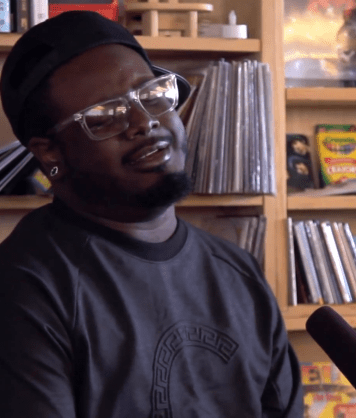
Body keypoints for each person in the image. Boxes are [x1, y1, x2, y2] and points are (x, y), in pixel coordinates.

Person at [0, 11, 303, 418]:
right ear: (50, 152)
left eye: (152, 94)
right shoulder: (25, 286)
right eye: (105, 115)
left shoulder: (238, 272)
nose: (144, 122)